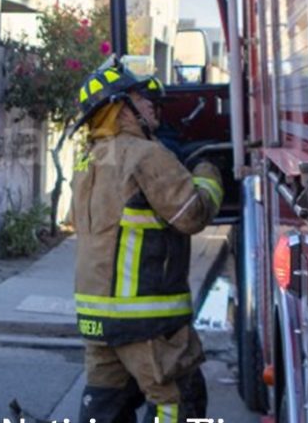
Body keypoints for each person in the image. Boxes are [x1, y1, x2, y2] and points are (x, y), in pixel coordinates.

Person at [68, 64, 224, 422]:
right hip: (149, 320)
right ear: (122, 107)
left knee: (105, 405)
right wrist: (206, 169)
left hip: (96, 319)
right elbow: (193, 214)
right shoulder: (145, 155)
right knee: (177, 398)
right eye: (144, 98)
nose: (154, 105)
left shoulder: (87, 160)